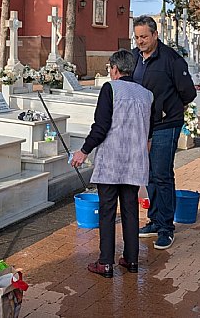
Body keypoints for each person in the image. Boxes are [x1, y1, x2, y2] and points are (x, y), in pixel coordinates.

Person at [71, 49, 153, 278]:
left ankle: (105, 262)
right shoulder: (147, 94)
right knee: (130, 210)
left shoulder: (111, 89)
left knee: (107, 212)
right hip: (135, 162)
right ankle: (131, 259)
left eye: (110, 68)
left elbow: (101, 126)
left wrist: (84, 151)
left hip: (111, 162)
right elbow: (150, 131)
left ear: (115, 69)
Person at [132, 16, 197, 250]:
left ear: (155, 35)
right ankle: (154, 220)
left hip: (165, 125)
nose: (140, 41)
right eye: (137, 37)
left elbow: (188, 93)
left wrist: (168, 108)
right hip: (141, 125)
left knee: (162, 174)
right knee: (148, 175)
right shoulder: (134, 58)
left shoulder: (171, 59)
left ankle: (166, 228)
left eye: (144, 37)